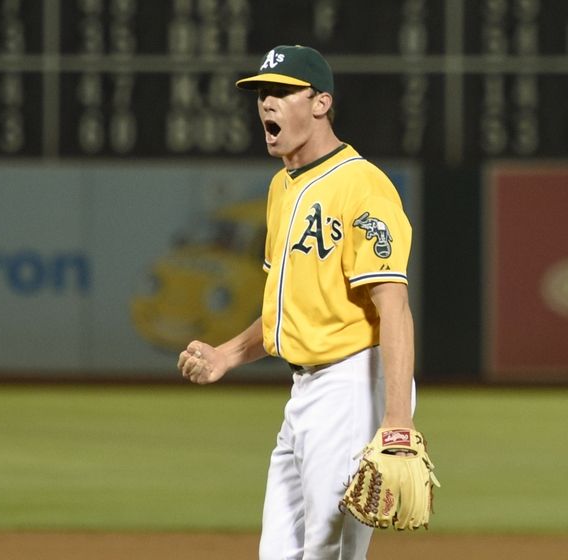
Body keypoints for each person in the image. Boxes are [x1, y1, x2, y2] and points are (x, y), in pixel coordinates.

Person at [178, 45, 420, 560]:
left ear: (320, 103)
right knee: (280, 553)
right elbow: (285, 310)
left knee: (325, 551)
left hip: (354, 385)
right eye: (263, 93)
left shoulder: (363, 185)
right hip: (305, 390)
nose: (268, 104)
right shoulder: (281, 187)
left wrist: (397, 419)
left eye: (284, 92)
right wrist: (227, 354)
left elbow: (393, 307)